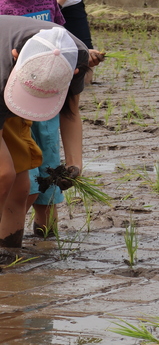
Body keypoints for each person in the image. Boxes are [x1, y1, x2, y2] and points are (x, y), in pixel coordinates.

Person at [0, 19, 96, 253]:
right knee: (4, 173)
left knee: (21, 184)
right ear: (16, 57)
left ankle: (8, 253)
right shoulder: (3, 65)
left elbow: (71, 114)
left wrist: (75, 164)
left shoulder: (75, 55)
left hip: (11, 90)